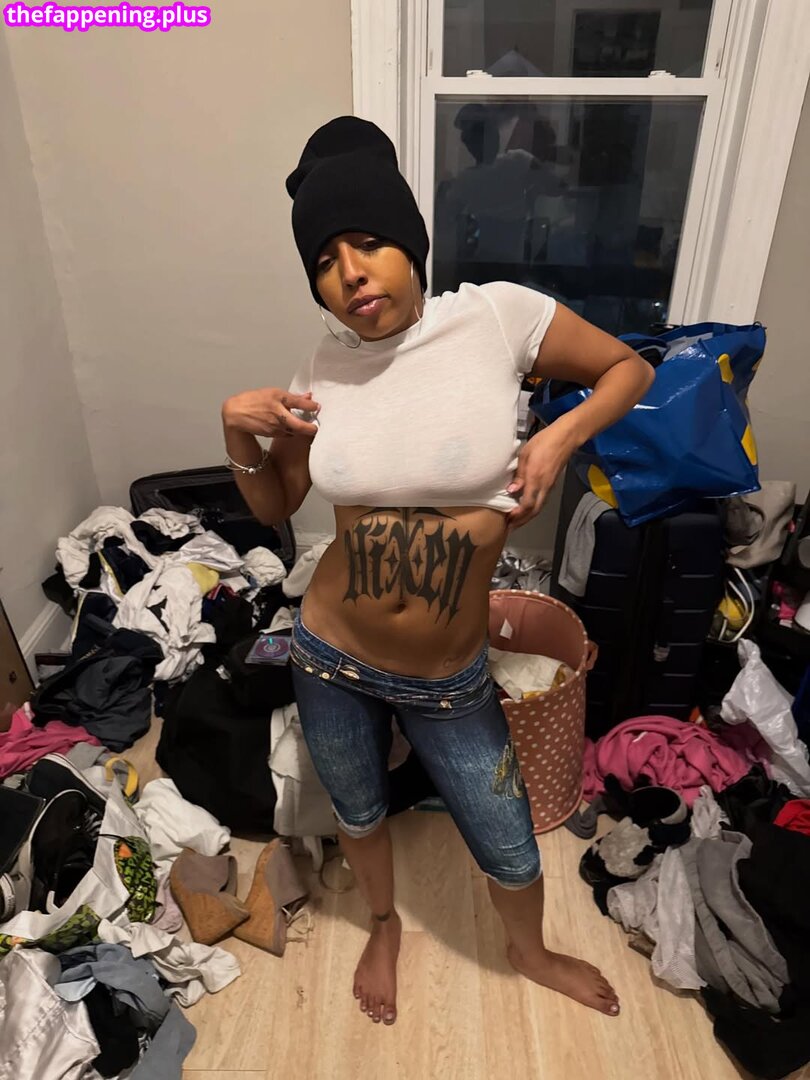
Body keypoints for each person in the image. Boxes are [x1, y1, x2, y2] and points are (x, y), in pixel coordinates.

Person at [220, 116, 654, 1027]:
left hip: (449, 676)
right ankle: (383, 925)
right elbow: (273, 505)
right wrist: (236, 433)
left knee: (508, 843)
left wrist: (557, 440)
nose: (350, 272)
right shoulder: (321, 369)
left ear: (409, 243)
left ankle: (530, 951)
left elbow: (628, 369)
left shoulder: (494, 318)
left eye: (368, 243)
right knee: (359, 812)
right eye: (326, 260)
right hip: (330, 654)